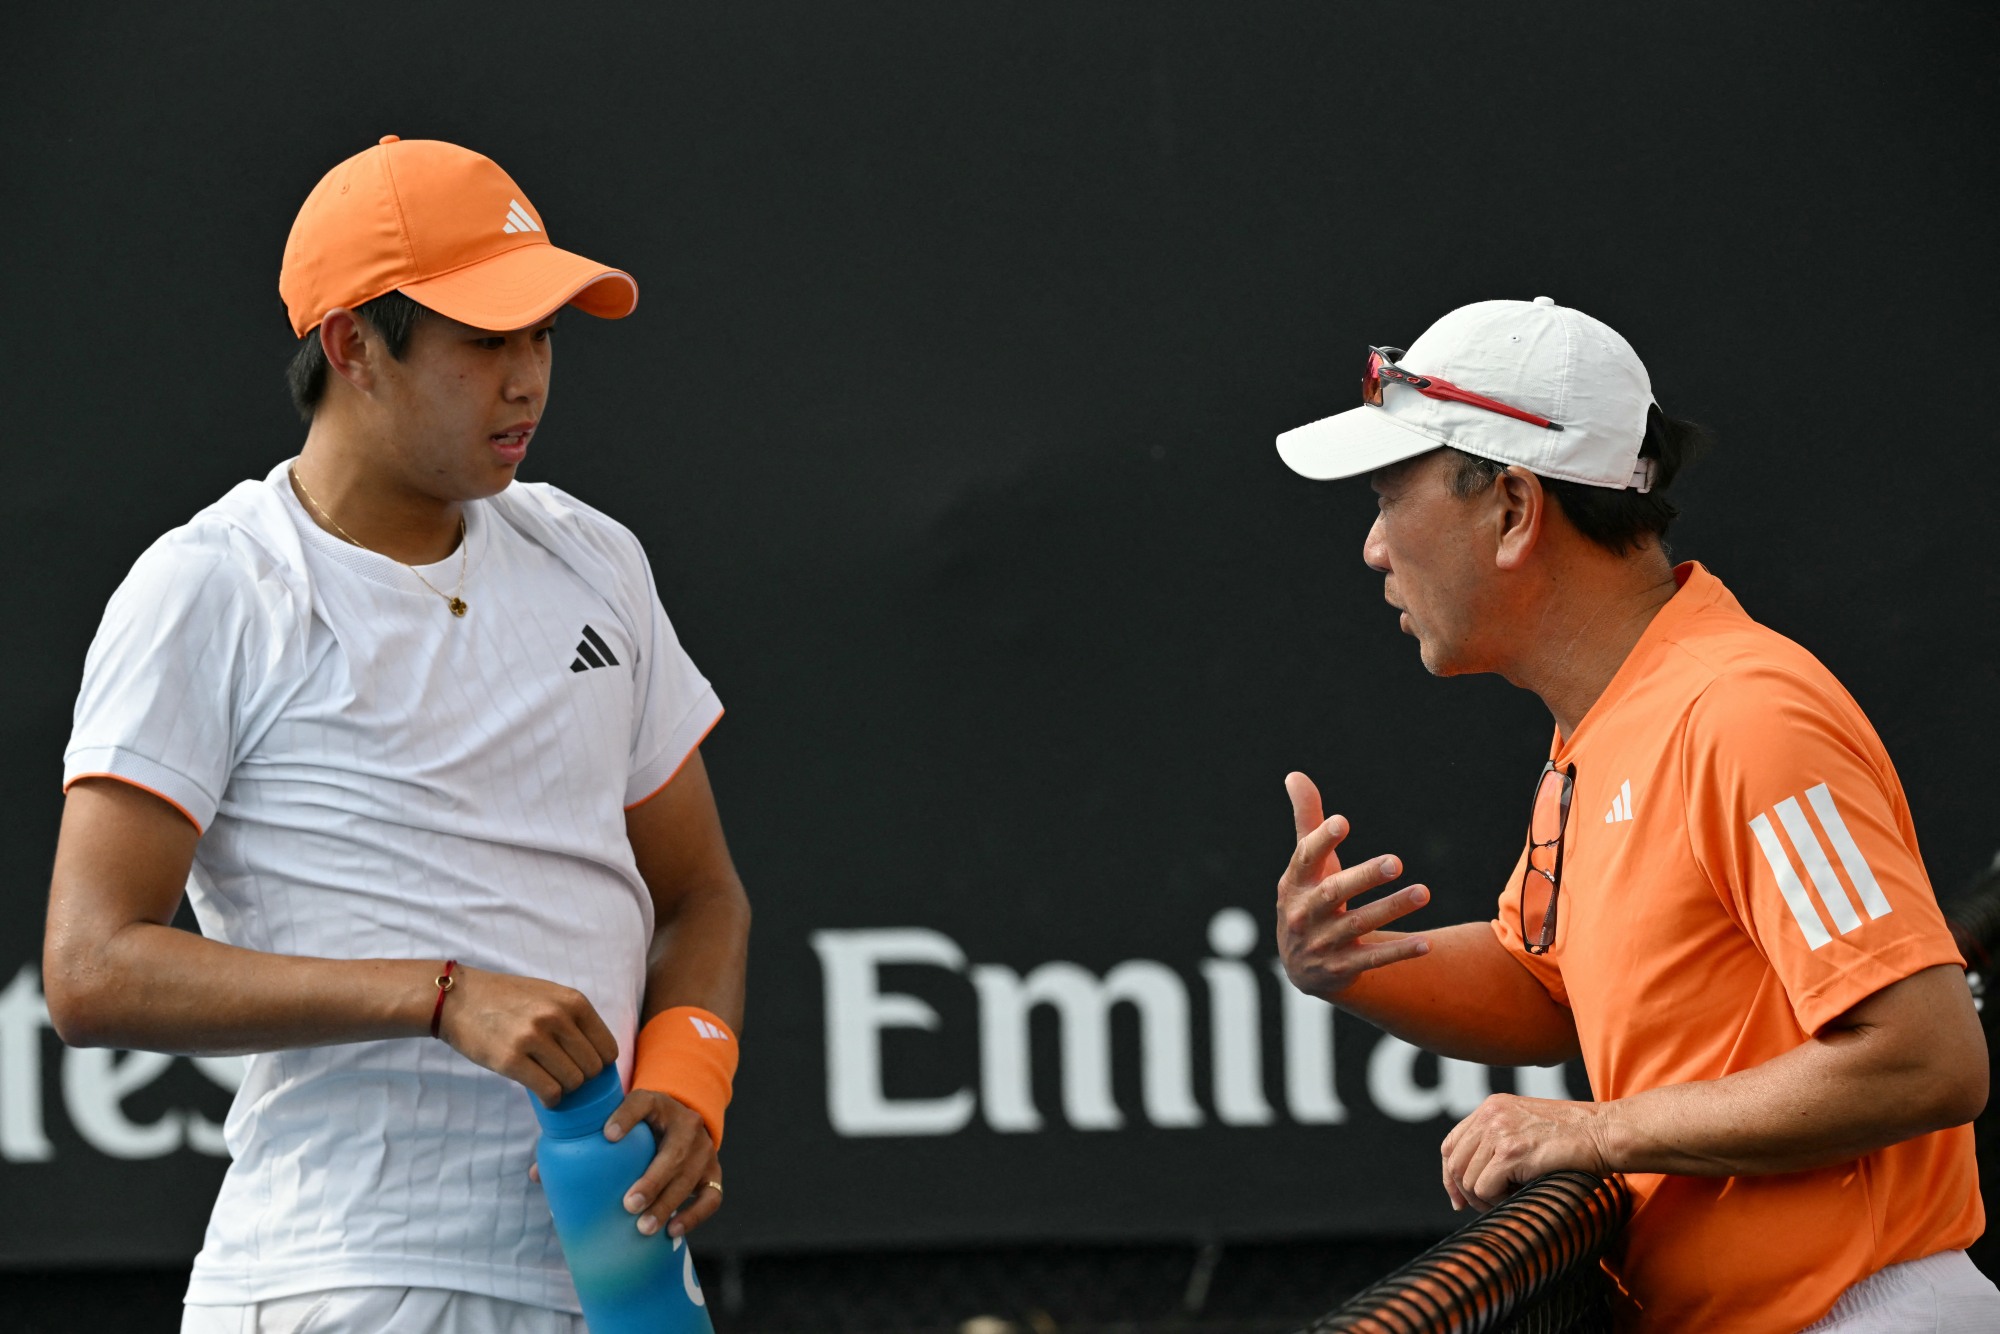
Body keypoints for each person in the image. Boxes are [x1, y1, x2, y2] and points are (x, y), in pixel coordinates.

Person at [43, 135, 752, 1334]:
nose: (527, 379)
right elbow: (92, 965)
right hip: (344, 1278)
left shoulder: (595, 555)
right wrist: (440, 995)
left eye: (542, 335)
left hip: (615, 1275)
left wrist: (688, 1078)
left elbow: (699, 894)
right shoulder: (210, 584)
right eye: (486, 339)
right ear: (351, 346)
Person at [1270, 297, 1996, 1331]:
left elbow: (1925, 1057)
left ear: (1513, 508)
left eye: (1390, 495)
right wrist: (1349, 965)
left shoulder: (1740, 712)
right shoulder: (1617, 714)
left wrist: (1599, 1131)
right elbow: (1550, 986)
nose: (1374, 548)